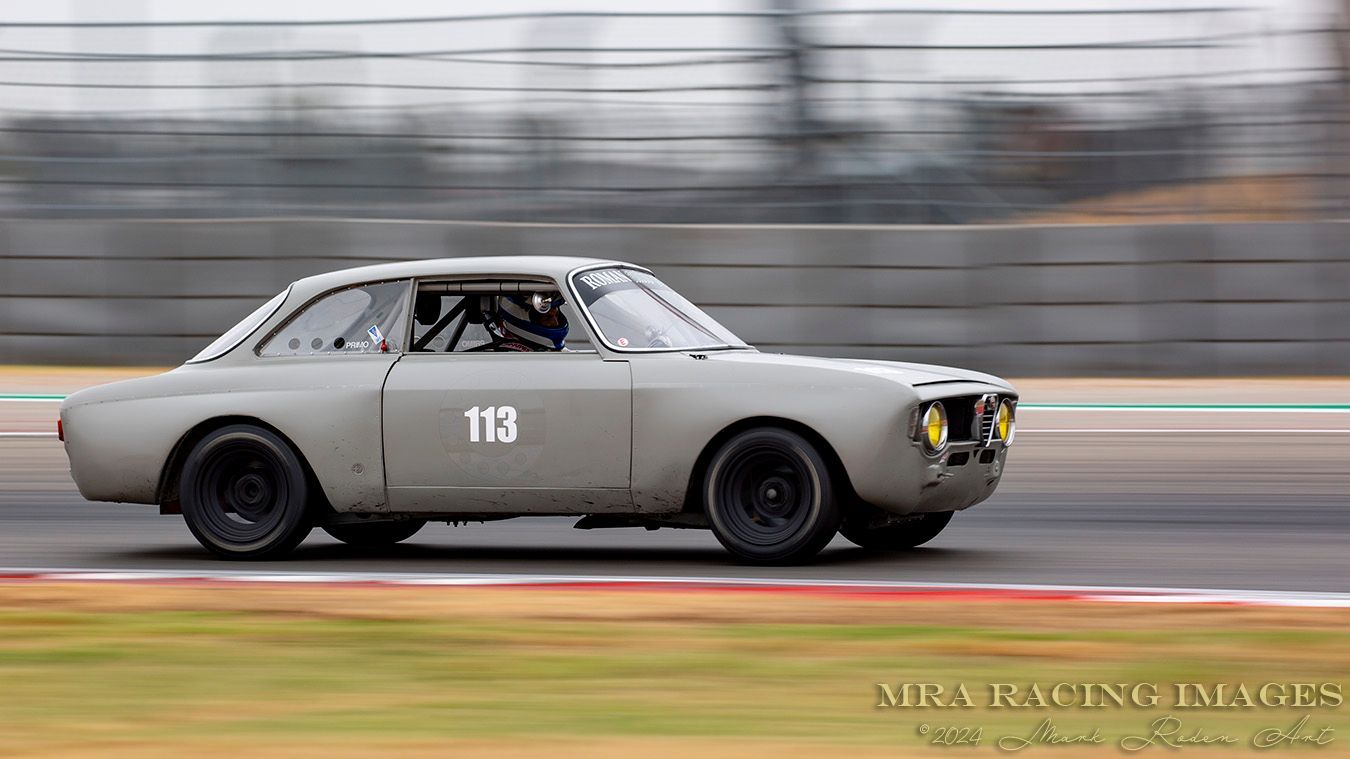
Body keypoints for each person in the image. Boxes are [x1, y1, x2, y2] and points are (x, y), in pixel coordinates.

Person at [476, 293, 568, 352]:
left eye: (557, 315)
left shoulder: (552, 353)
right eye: (547, 318)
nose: (555, 323)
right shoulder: (512, 357)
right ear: (519, 317)